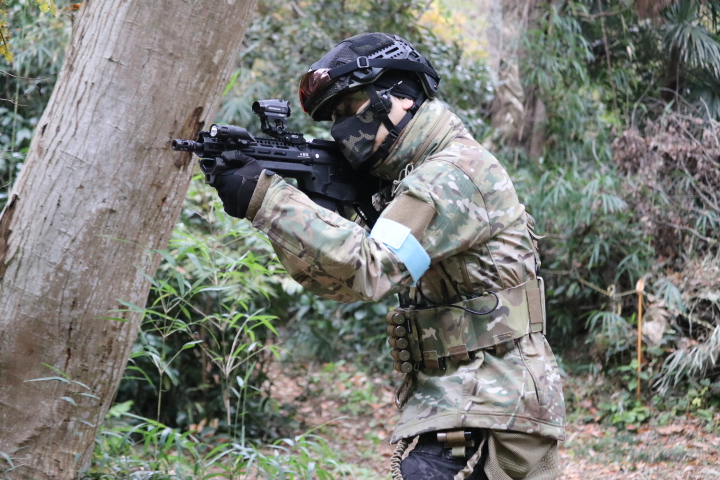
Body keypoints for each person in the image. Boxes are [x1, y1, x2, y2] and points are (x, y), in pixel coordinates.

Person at [212, 32, 566, 480]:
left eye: (351, 107)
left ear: (402, 97)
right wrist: (290, 211)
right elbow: (341, 284)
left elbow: (370, 268)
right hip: (467, 397)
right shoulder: (407, 178)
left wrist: (270, 200)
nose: (342, 128)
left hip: (496, 402)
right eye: (335, 117)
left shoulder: (451, 175)